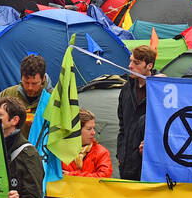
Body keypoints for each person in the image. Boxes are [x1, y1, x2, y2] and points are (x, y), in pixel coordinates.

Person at [117, 45, 157, 182]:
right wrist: (120, 154)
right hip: (126, 163)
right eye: (130, 61)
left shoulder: (160, 90)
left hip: (149, 164)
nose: (130, 66)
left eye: (136, 63)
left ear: (149, 66)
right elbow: (122, 126)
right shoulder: (126, 89)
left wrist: (151, 144)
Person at [0, 54, 47, 134]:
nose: (30, 87)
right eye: (26, 82)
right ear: (21, 77)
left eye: (34, 83)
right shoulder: (7, 94)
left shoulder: (53, 99)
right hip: (11, 145)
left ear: (43, 79)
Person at [63, 109, 113, 178]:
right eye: (89, 129)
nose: (93, 133)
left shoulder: (102, 152)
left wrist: (72, 175)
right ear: (76, 131)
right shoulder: (61, 152)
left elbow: (104, 176)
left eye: (93, 128)